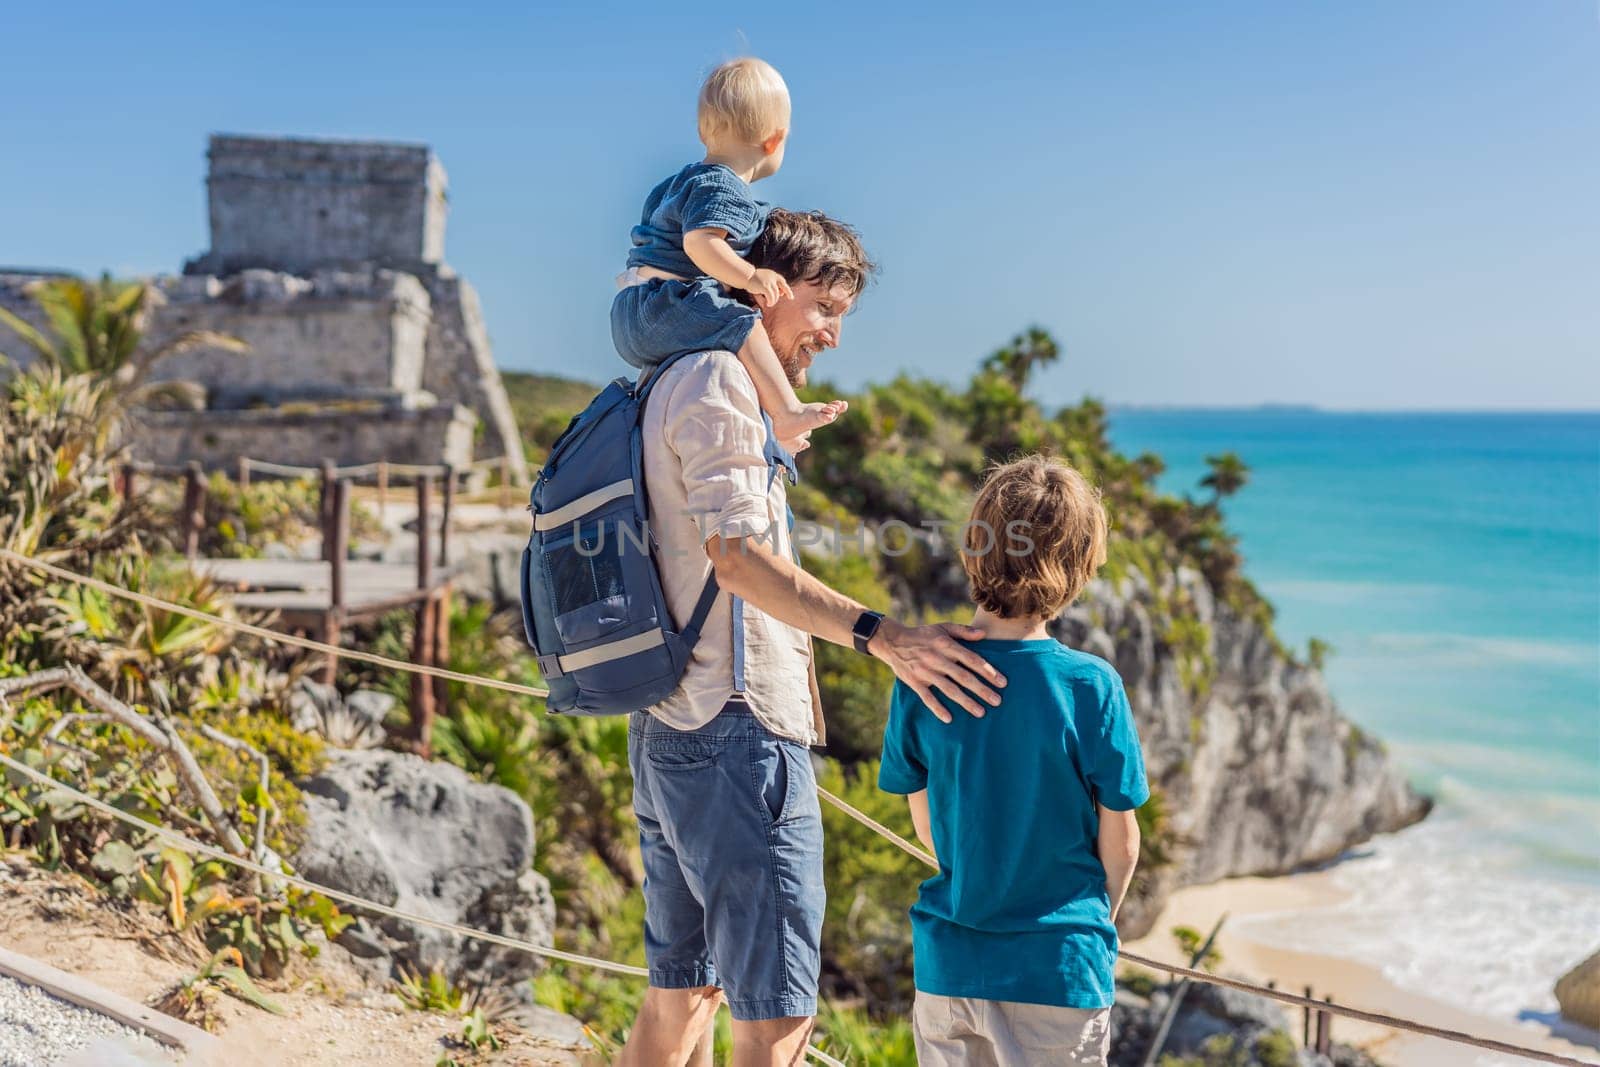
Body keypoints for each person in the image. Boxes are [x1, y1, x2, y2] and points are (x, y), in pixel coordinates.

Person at [618, 208, 1009, 1067]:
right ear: (764, 286)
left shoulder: (674, 376)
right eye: (825, 307)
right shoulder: (717, 380)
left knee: (682, 989)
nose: (831, 335)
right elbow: (741, 561)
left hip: (671, 723)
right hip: (736, 729)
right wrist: (883, 634)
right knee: (776, 1015)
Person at [878, 454, 1149, 1067]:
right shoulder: (1090, 685)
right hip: (1057, 969)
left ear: (976, 547)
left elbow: (931, 828)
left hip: (950, 964)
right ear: (1079, 564)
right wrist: (1086, 927)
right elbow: (1123, 844)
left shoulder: (921, 674)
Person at [611, 57, 845, 451]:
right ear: (774, 140)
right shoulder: (725, 187)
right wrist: (750, 277)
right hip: (666, 306)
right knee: (744, 324)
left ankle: (771, 422)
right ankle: (786, 411)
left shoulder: (679, 182)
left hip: (633, 309)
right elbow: (700, 244)